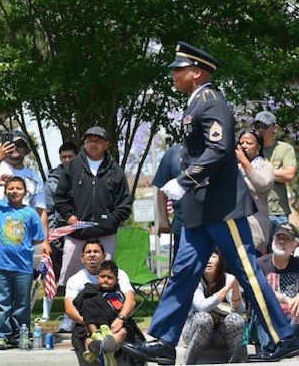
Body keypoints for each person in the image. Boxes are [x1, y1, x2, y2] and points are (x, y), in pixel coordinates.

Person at [122, 41, 299, 364]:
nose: (173, 74)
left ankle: (282, 337)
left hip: (220, 207)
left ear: (196, 72)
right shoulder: (195, 105)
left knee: (246, 270)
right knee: (183, 273)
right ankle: (163, 340)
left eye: (178, 69)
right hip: (199, 210)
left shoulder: (210, 101)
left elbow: (218, 151)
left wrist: (183, 181)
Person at [0, 131, 50, 348]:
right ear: (1, 146)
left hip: (21, 255)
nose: (14, 149)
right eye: (9, 145)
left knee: (19, 299)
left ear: (27, 149)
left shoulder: (33, 178)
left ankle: (19, 334)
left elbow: (41, 210)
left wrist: (44, 242)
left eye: (19, 145)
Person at [54, 126, 132, 333]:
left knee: (105, 276)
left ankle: (103, 314)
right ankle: (70, 319)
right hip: (77, 232)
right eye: (89, 140)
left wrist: (112, 221)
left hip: (106, 233)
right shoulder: (73, 166)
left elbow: (124, 202)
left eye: (98, 140)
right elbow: (60, 197)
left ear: (106, 144)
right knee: (70, 277)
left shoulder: (114, 169)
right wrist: (69, 216)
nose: (93, 144)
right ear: (85, 143)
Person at [0, 176, 45, 350]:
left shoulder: (31, 213)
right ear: (5, 191)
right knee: (2, 302)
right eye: (10, 188)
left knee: (22, 304)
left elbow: (37, 238)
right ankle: (0, 335)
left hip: (23, 267)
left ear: (25, 192)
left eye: (18, 188)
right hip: (1, 266)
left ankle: (21, 334)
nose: (14, 191)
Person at [64, 240, 141, 366]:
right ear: (82, 257)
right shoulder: (75, 280)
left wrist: (120, 319)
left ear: (104, 256)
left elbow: (130, 300)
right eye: (88, 252)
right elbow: (69, 308)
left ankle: (109, 346)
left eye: (96, 251)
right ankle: (96, 347)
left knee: (125, 330)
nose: (92, 255)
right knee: (83, 333)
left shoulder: (119, 274)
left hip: (116, 322)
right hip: (86, 323)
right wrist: (89, 321)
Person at [181, 249, 246, 364]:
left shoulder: (228, 279)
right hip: (195, 333)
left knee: (236, 320)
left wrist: (235, 287)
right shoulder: (195, 279)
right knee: (203, 318)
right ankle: (190, 359)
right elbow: (202, 307)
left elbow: (239, 310)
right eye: (206, 257)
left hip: (219, 335)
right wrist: (226, 290)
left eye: (213, 257)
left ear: (220, 261)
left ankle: (233, 359)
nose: (209, 261)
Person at [40, 142, 78, 322]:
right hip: (58, 235)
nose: (67, 160)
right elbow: (47, 211)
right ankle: (46, 313)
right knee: (51, 273)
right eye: (64, 157)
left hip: (78, 233)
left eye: (70, 156)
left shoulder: (83, 177)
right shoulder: (52, 181)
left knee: (75, 275)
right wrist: (50, 236)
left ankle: (73, 312)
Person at [252, 110, 297, 249]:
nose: (260, 130)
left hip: (278, 212)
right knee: (256, 254)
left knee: (279, 251)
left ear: (275, 128)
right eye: (257, 126)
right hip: (255, 211)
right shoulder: (251, 148)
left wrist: (258, 171)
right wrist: (277, 173)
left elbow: (289, 175)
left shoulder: (285, 148)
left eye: (264, 126)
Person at [251, 223, 299, 352]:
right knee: (263, 306)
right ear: (273, 240)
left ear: (295, 245)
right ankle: (272, 348)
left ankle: (286, 346)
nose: (281, 241)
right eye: (279, 238)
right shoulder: (259, 264)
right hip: (264, 322)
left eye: (286, 239)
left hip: (292, 320)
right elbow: (261, 291)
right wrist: (286, 299)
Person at [236, 128, 274, 256]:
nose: (244, 146)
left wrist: (244, 162)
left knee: (250, 269)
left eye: (249, 143)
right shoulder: (233, 167)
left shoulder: (265, 166)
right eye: (241, 143)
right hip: (233, 226)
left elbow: (262, 184)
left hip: (254, 228)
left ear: (258, 146)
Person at [152, 143, 184, 261]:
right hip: (182, 224)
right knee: (182, 269)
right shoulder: (173, 153)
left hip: (212, 223)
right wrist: (164, 218)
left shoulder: (214, 150)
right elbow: (162, 189)